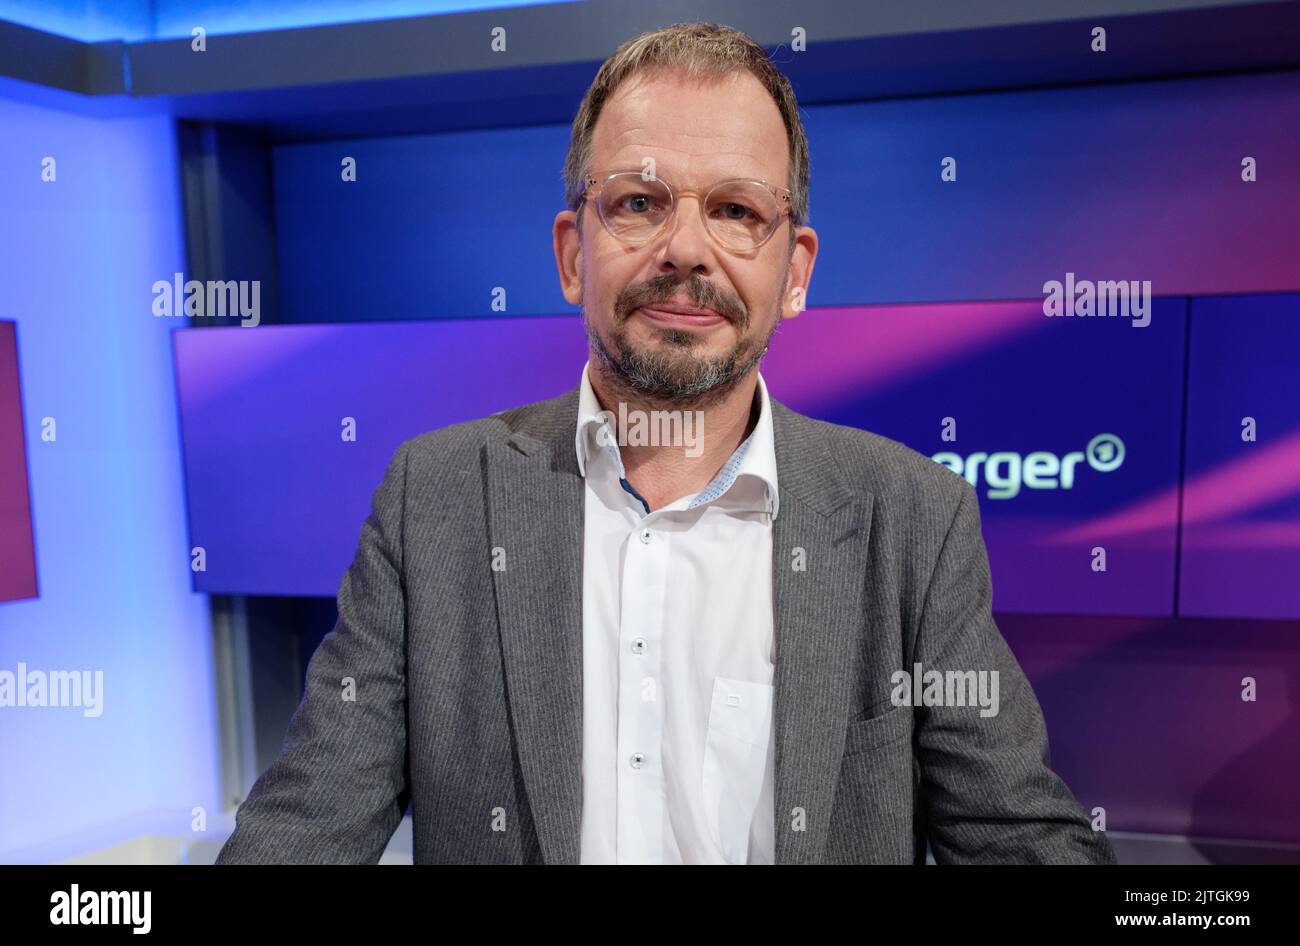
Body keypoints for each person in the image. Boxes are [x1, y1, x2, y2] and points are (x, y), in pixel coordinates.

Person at [217, 21, 1115, 865]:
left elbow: (1021, 837)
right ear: (573, 253)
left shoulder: (913, 520)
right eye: (640, 202)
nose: (686, 250)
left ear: (794, 270)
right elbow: (307, 823)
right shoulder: (438, 499)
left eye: (735, 210)